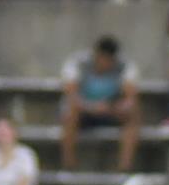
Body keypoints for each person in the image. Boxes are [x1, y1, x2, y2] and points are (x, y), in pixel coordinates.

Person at [60, 36, 141, 172]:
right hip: (83, 111)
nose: (104, 63)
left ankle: (124, 167)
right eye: (102, 59)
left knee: (133, 115)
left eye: (108, 60)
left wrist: (113, 107)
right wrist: (91, 107)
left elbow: (130, 99)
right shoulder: (78, 64)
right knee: (69, 112)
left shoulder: (126, 67)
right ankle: (69, 165)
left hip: (111, 111)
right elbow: (71, 96)